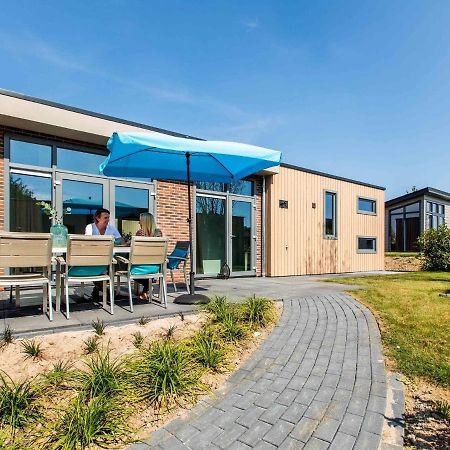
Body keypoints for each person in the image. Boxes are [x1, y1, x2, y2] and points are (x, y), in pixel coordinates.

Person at [85, 208, 123, 299]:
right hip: (93, 257)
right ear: (98, 218)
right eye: (105, 217)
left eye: (108, 218)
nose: (108, 220)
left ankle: (99, 288)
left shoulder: (111, 228)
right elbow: (88, 242)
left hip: (108, 258)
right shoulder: (90, 227)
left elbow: (120, 240)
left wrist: (115, 242)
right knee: (97, 268)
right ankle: (108, 292)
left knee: (114, 264)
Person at [135, 212, 162, 300]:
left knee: (125, 268)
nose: (139, 223)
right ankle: (147, 288)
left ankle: (147, 287)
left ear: (144, 222)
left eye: (140, 221)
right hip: (155, 267)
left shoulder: (140, 233)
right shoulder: (158, 233)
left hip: (141, 266)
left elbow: (136, 250)